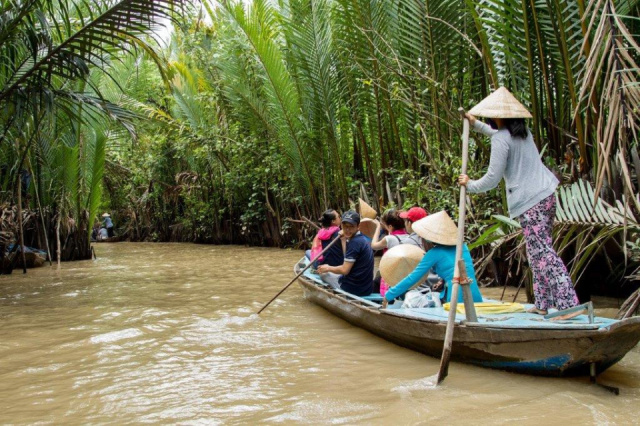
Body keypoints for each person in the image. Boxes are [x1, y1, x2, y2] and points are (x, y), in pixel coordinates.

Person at [458, 87, 579, 320]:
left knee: (542, 252)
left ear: (498, 115)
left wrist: (469, 184)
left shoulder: (502, 139)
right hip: (546, 195)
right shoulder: (523, 133)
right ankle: (543, 303)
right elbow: (498, 135)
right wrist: (474, 124)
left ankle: (567, 305)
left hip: (531, 201)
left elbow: (492, 179)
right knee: (537, 252)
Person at [383, 211, 483, 306]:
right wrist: (442, 281)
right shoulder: (463, 246)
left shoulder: (434, 253)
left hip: (456, 296)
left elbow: (412, 278)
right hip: (475, 294)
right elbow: (458, 269)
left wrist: (389, 295)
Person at [316, 211, 374, 297]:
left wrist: (328, 268)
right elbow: (346, 258)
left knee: (323, 274)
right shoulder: (361, 238)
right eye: (345, 226)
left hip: (353, 289)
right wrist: (343, 240)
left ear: (358, 226)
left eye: (351, 227)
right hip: (366, 288)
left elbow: (344, 270)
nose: (347, 230)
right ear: (341, 225)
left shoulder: (355, 242)